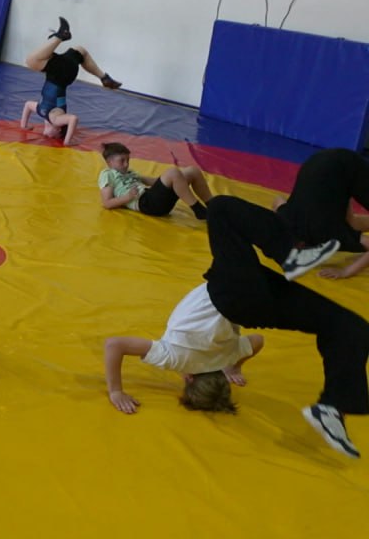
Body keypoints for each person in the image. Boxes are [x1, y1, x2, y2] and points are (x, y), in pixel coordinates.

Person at [105, 195, 369, 460]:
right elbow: (114, 345)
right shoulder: (173, 358)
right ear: (188, 378)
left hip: (259, 307)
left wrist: (234, 366)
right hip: (230, 292)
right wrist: (116, 390)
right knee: (220, 208)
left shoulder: (226, 356)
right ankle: (290, 252)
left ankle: (337, 404)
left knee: (345, 324)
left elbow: (257, 341)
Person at [20, 17, 121, 146]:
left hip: (58, 73)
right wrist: (67, 141)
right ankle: (59, 36)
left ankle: (104, 77)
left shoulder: (41, 111)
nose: (46, 135)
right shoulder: (55, 119)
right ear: (58, 130)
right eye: (53, 136)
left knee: (80, 51)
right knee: (31, 60)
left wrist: (24, 125)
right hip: (62, 75)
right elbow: (73, 119)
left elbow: (28, 105)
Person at [273, 148, 369, 281]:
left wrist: (345, 271)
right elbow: (278, 200)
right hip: (318, 162)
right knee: (350, 223)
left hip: (346, 166)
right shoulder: (287, 218)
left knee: (348, 224)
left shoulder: (328, 234)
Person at [98, 142, 213, 220]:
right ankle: (198, 210)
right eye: (122, 161)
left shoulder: (130, 173)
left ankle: (213, 205)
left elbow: (153, 182)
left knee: (192, 171)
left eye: (128, 160)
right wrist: (127, 197)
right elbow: (107, 203)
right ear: (109, 162)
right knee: (173, 172)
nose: (126, 164)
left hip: (153, 199)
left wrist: (168, 180)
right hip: (145, 203)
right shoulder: (107, 174)